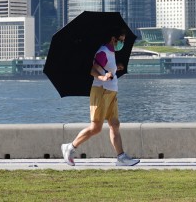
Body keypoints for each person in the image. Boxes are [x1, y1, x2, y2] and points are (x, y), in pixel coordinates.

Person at [60, 26, 140, 166]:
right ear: (113, 38)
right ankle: (70, 147)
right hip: (101, 91)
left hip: (112, 91)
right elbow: (93, 69)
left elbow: (107, 68)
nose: (122, 43)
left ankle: (121, 157)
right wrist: (102, 77)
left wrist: (117, 67)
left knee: (115, 124)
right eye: (120, 40)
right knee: (96, 128)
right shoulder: (102, 52)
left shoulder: (111, 51)